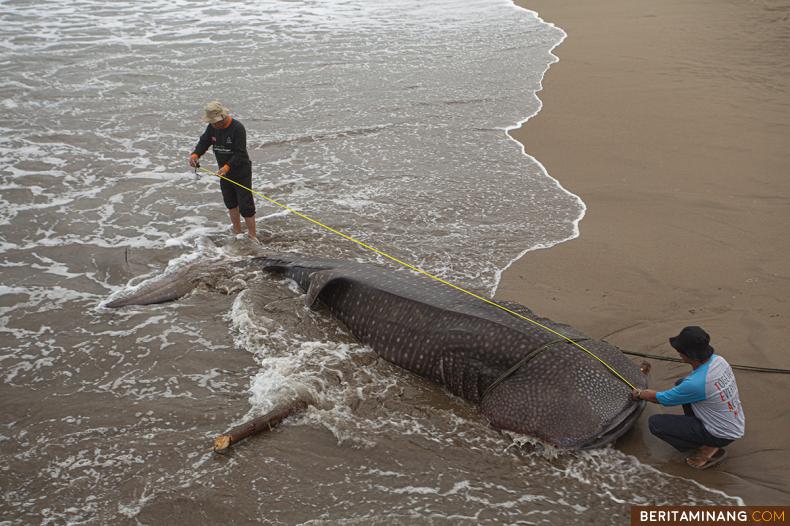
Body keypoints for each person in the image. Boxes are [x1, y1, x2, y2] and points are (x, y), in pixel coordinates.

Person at [631, 326, 745, 469]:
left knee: (656, 423)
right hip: (733, 421)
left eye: (680, 350)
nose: (678, 353)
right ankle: (705, 435)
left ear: (688, 355)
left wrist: (640, 393)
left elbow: (660, 399)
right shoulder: (719, 361)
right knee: (681, 384)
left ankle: (706, 449)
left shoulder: (697, 384)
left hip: (722, 433)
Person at [189, 101, 256, 241]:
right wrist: (195, 155)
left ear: (222, 117)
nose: (213, 124)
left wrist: (226, 167)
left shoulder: (237, 128)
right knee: (230, 203)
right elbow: (204, 142)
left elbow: (240, 153)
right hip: (224, 173)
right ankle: (237, 232)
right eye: (211, 122)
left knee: (246, 206)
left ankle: (252, 235)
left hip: (241, 171)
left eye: (215, 122)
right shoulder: (212, 127)